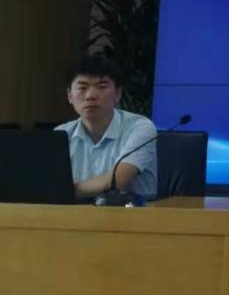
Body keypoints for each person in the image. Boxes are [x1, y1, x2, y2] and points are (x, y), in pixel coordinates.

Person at [55, 56, 157, 199]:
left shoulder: (139, 127)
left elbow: (115, 181)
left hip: (130, 211)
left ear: (118, 94)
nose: (90, 95)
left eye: (102, 87)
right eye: (82, 88)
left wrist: (63, 191)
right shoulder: (61, 134)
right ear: (70, 96)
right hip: (74, 211)